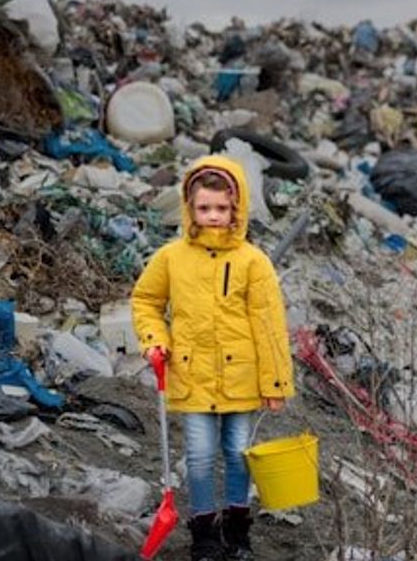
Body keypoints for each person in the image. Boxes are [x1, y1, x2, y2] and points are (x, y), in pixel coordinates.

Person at [132, 155, 294, 561]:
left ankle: (237, 532)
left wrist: (275, 385)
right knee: (200, 457)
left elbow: (270, 327)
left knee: (239, 456)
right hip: (192, 374)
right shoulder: (171, 257)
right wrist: (155, 339)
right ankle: (204, 534)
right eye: (204, 208)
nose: (213, 216)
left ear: (236, 208)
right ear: (190, 208)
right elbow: (146, 300)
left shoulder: (254, 262)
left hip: (242, 377)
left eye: (222, 208)